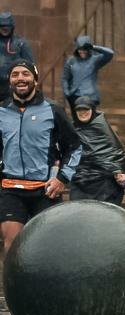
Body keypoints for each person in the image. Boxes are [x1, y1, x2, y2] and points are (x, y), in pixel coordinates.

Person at [0, 60, 80, 247]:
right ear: (10, 80)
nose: (20, 78)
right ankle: (13, 278)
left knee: (47, 246)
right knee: (12, 243)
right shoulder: (2, 110)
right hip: (11, 188)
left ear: (35, 80)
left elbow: (74, 146)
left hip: (45, 189)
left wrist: (62, 178)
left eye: (26, 74)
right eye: (15, 74)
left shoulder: (53, 110)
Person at [69, 96, 125, 205]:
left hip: (103, 181)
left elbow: (115, 151)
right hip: (80, 180)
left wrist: (117, 170)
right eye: (79, 110)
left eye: (86, 109)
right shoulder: (73, 128)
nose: (83, 113)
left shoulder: (101, 127)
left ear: (92, 110)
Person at [61, 35, 115, 108]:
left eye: (85, 49)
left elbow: (110, 53)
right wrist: (66, 92)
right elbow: (65, 78)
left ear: (88, 49)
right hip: (74, 96)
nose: (82, 52)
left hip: (90, 96)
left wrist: (93, 47)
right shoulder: (71, 61)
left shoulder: (95, 60)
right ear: (76, 49)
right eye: (80, 49)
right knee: (76, 118)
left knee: (90, 118)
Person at [0, 12, 34, 103]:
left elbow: (30, 66)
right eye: (2, 27)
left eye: (7, 27)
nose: (5, 30)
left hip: (13, 85)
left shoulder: (21, 43)